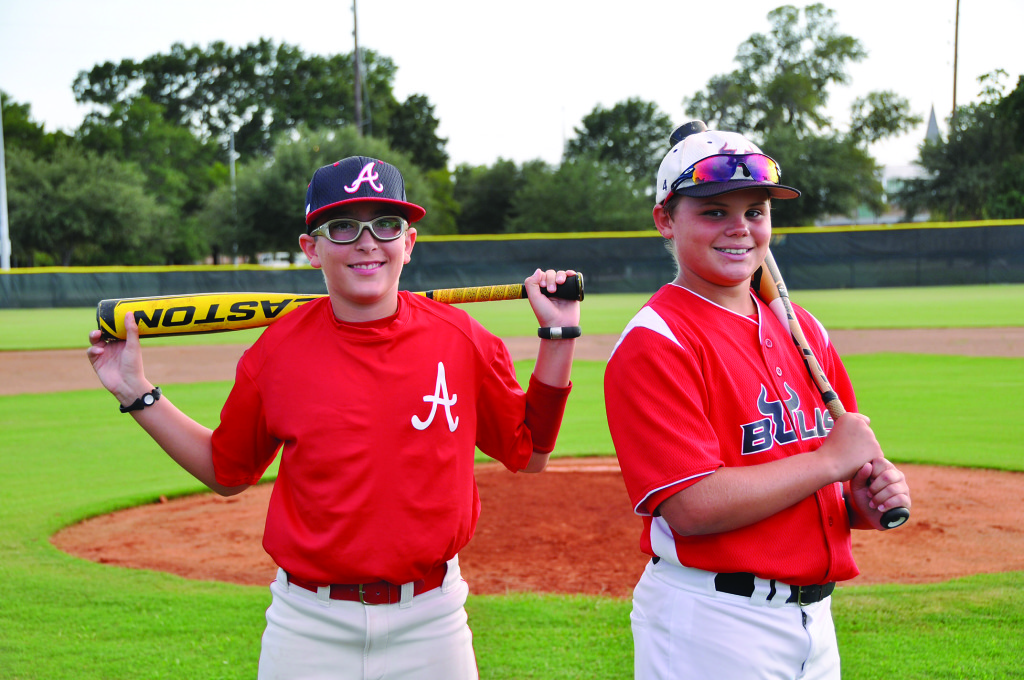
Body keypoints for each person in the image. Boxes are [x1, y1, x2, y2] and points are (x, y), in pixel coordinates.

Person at [87, 155, 581, 679]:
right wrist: (135, 390)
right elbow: (225, 470)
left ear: (408, 243)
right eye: (342, 226)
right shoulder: (275, 353)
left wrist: (558, 338)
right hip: (308, 626)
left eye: (386, 225)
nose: (367, 242)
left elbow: (531, 454)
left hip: (432, 622)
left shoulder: (462, 339)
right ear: (311, 247)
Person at [603, 125, 911, 679]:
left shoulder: (802, 329)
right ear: (665, 221)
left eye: (756, 211)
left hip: (815, 621)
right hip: (713, 624)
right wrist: (828, 463)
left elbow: (831, 480)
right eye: (714, 212)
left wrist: (859, 502)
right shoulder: (656, 341)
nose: (740, 229)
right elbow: (692, 507)